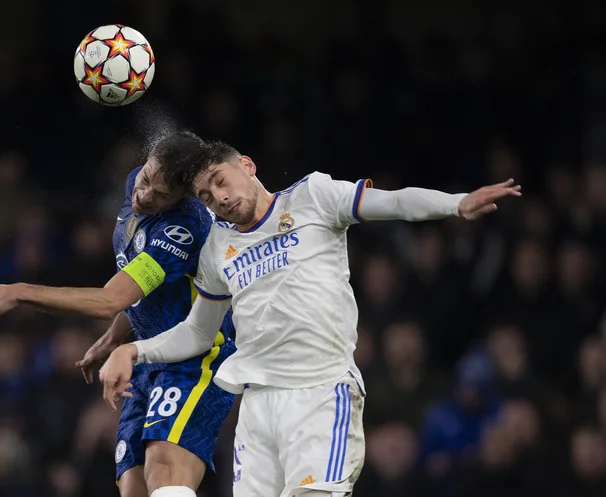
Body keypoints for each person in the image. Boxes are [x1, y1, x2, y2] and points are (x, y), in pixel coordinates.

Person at [99, 140, 522, 497]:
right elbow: (197, 332)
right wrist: (134, 350)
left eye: (221, 181)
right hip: (259, 407)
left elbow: (393, 202)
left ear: (246, 165)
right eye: (207, 197)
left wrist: (457, 204)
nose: (221, 198)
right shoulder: (216, 249)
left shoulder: (313, 196)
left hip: (320, 392)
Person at [0, 131, 237, 497]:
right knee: (133, 486)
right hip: (147, 358)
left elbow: (109, 300)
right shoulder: (138, 180)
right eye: (147, 180)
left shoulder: (183, 230)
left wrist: (21, 291)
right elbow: (149, 290)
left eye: (161, 195)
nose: (144, 195)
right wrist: (115, 335)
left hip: (196, 359)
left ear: (186, 196)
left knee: (163, 472)